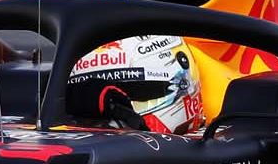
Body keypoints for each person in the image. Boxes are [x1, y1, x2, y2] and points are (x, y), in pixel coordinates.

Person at [64, 34, 207, 134]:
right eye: (87, 97)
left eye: (120, 98)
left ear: (182, 83)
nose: (100, 110)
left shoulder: (222, 151)